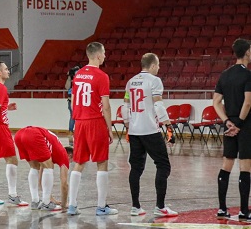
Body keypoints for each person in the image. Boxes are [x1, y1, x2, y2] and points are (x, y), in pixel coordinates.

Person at [123, 53, 178, 217]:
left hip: (134, 131)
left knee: (136, 168)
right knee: (163, 165)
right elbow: (158, 105)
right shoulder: (154, 81)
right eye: (158, 65)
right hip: (150, 130)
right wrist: (168, 126)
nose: (159, 68)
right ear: (153, 65)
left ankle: (135, 207)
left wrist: (128, 125)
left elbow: (125, 107)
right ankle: (160, 207)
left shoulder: (130, 82)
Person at [67, 42, 117, 216]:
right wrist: (109, 128)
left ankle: (72, 205)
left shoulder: (78, 75)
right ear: (97, 55)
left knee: (79, 162)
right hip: (95, 122)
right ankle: (101, 207)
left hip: (80, 122)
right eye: (104, 53)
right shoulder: (102, 76)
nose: (105, 56)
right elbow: (106, 106)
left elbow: (73, 102)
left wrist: (77, 120)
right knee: (101, 162)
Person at [213, 38, 251, 221]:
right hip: (245, 125)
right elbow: (248, 102)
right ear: (247, 52)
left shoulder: (224, 75)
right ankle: (244, 211)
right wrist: (239, 125)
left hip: (229, 126)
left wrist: (227, 121)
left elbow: (216, 102)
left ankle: (222, 209)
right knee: (245, 166)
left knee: (226, 165)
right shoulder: (248, 75)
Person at [0, 61, 28, 207]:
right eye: (6, 69)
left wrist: (6, 107)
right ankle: (13, 195)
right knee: (12, 159)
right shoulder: (1, 88)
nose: (8, 71)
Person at [14, 126, 73, 211]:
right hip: (33, 134)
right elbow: (64, 184)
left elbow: (40, 181)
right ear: (70, 155)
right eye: (71, 161)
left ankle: (35, 201)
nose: (69, 163)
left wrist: (51, 198)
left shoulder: (52, 150)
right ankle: (46, 203)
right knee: (49, 167)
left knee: (35, 167)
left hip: (19, 135)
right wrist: (64, 204)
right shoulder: (63, 155)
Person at [66, 65, 79, 146]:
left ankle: (78, 131)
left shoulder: (80, 79)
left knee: (79, 116)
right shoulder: (70, 79)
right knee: (72, 116)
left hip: (79, 101)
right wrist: (69, 77)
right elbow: (67, 87)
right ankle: (70, 131)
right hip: (71, 100)